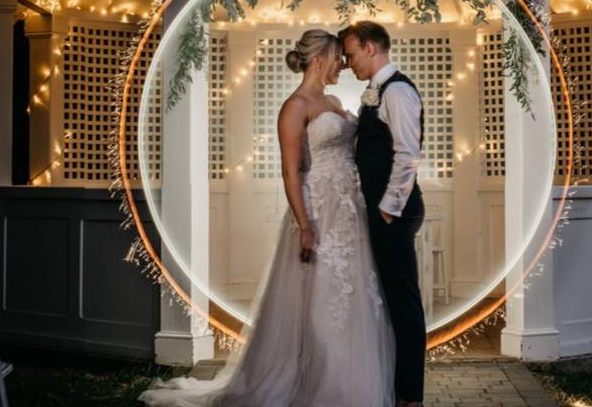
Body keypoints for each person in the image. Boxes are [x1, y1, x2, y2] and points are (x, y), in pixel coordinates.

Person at [138, 29, 396, 407]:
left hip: (350, 210)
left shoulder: (334, 99)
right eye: (338, 57)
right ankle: (323, 384)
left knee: (355, 293)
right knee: (320, 299)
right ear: (321, 58)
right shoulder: (294, 107)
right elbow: (292, 172)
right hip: (319, 209)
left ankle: (354, 382)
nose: (343, 63)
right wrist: (306, 225)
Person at [339, 21, 426, 407]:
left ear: (371, 48)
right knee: (389, 301)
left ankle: (411, 397)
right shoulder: (374, 93)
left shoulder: (399, 91)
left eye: (351, 53)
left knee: (403, 303)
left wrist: (388, 210)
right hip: (379, 212)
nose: (347, 62)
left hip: (394, 212)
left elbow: (408, 154)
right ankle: (394, 389)